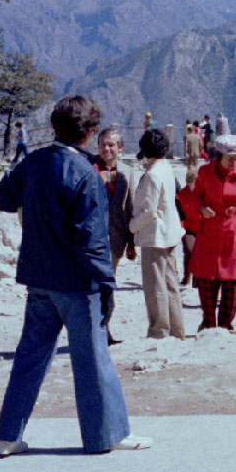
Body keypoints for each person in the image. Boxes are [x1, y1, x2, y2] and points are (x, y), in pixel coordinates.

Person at [0, 95, 150, 456]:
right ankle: (104, 436)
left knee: (30, 355)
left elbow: (2, 197)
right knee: (93, 359)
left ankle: (6, 436)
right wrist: (107, 285)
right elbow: (92, 240)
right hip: (78, 282)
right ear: (92, 132)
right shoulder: (86, 174)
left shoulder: (34, 161)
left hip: (38, 276)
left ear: (54, 127)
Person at [189, 134, 236, 332]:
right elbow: (196, 196)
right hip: (209, 231)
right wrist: (203, 208)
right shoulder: (205, 172)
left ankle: (225, 324)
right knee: (206, 279)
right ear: (219, 155)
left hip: (234, 234)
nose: (233, 162)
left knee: (231, 281)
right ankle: (208, 323)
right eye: (230, 158)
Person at [128, 129, 186, 340]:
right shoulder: (166, 168)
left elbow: (148, 210)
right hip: (170, 232)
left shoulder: (151, 175)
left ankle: (159, 330)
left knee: (155, 287)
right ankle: (177, 330)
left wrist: (132, 226)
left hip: (155, 236)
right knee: (170, 284)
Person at [94, 127, 136, 345]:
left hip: (116, 240)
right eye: (102, 144)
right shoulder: (89, 168)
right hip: (92, 240)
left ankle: (104, 328)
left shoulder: (127, 173)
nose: (106, 148)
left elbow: (130, 208)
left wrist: (131, 242)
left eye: (111, 145)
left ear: (120, 148)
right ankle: (99, 331)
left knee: (108, 284)